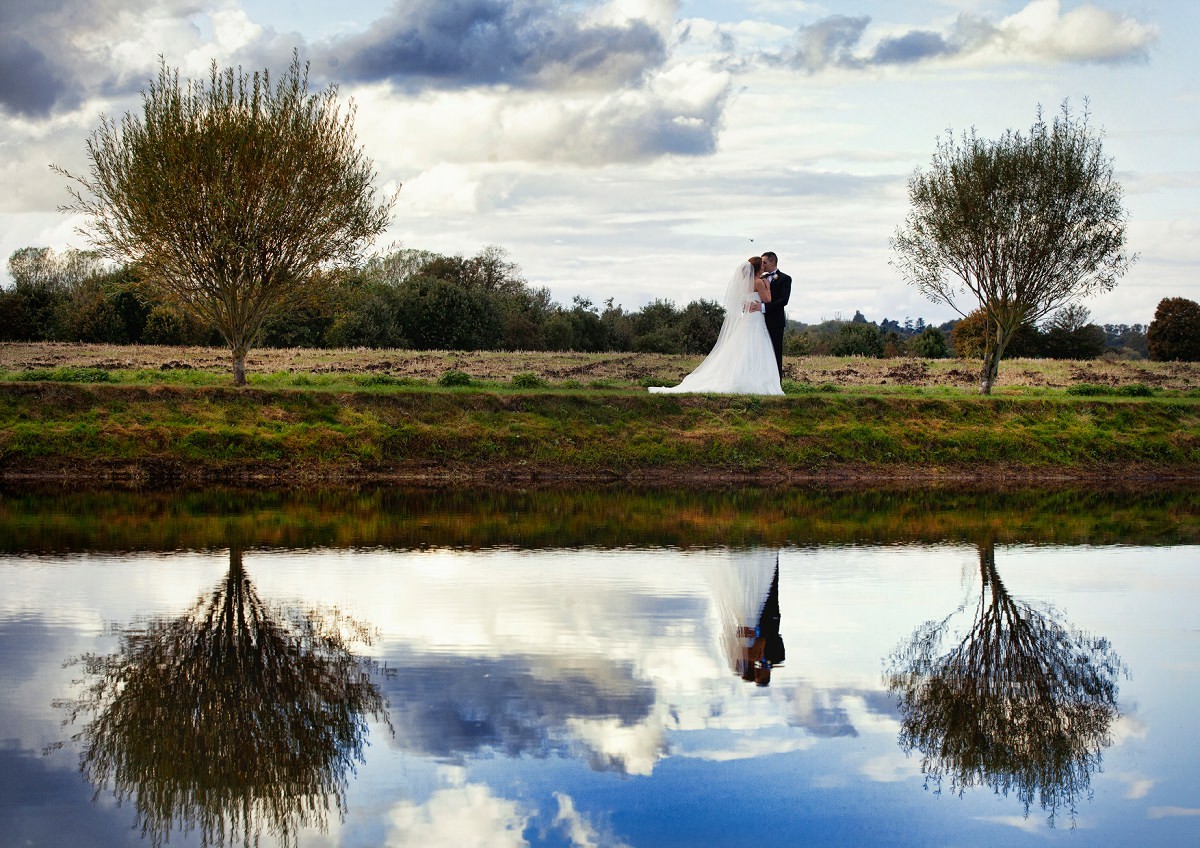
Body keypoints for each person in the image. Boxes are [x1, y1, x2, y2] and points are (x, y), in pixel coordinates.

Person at [647, 257, 783, 395]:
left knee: (744, 347)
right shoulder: (760, 282)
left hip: (747, 318)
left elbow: (741, 301)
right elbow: (767, 299)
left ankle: (740, 375)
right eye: (762, 264)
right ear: (758, 268)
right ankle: (755, 378)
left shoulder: (745, 284)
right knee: (756, 346)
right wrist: (767, 285)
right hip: (756, 318)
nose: (764, 267)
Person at [758, 251, 791, 380]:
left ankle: (777, 383)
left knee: (775, 352)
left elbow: (783, 300)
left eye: (765, 262)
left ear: (773, 262)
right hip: (759, 321)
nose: (763, 265)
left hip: (775, 323)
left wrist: (763, 307)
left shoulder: (785, 278)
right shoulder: (760, 279)